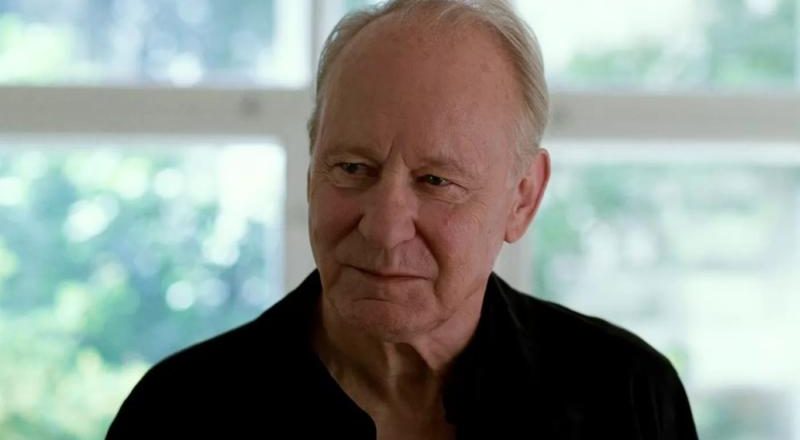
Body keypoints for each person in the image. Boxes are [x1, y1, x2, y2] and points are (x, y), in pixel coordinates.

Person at [107, 0, 698, 438]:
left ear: (522, 199)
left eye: (436, 181)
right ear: (311, 171)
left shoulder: (626, 396)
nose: (385, 229)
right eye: (352, 168)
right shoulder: (178, 414)